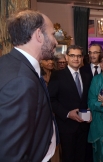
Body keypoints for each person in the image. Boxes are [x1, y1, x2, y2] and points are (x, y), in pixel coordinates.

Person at [0, 10, 58, 161]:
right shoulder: (21, 80)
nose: (56, 42)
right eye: (52, 35)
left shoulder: (10, 63)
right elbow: (11, 153)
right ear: (39, 35)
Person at [48, 45, 92, 162]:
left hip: (84, 126)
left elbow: (88, 99)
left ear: (82, 58)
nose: (76, 59)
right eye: (72, 55)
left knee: (83, 158)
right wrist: (67, 113)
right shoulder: (57, 75)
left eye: (78, 56)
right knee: (68, 158)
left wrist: (91, 111)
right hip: (66, 127)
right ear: (67, 57)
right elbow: (51, 100)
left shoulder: (87, 76)